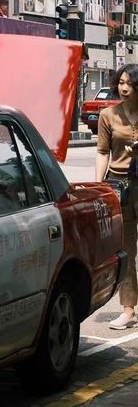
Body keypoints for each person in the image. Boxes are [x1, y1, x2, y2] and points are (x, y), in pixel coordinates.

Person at [96, 63, 138, 329]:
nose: (124, 87)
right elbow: (102, 152)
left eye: (130, 83)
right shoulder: (108, 115)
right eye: (121, 82)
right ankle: (128, 309)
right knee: (127, 248)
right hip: (121, 186)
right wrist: (98, 185)